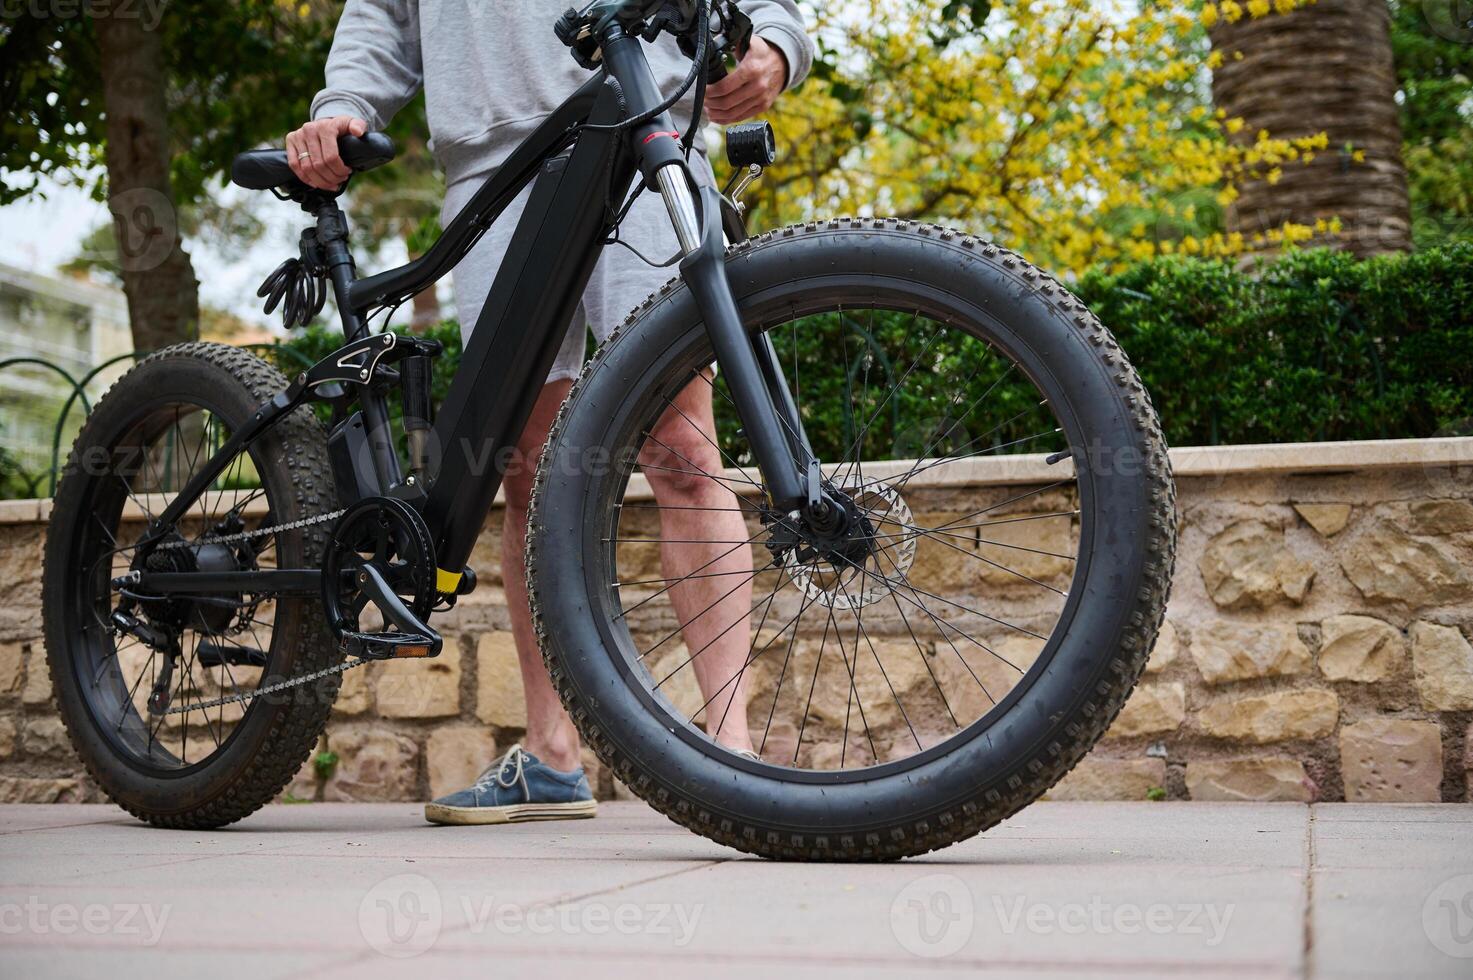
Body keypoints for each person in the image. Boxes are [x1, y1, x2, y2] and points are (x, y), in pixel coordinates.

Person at [286, 0, 815, 825]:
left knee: (681, 452)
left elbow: (765, 13)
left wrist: (776, 43)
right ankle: (549, 754)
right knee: (528, 476)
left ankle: (731, 750)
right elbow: (381, 15)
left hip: (646, 135)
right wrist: (344, 103)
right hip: (491, 168)